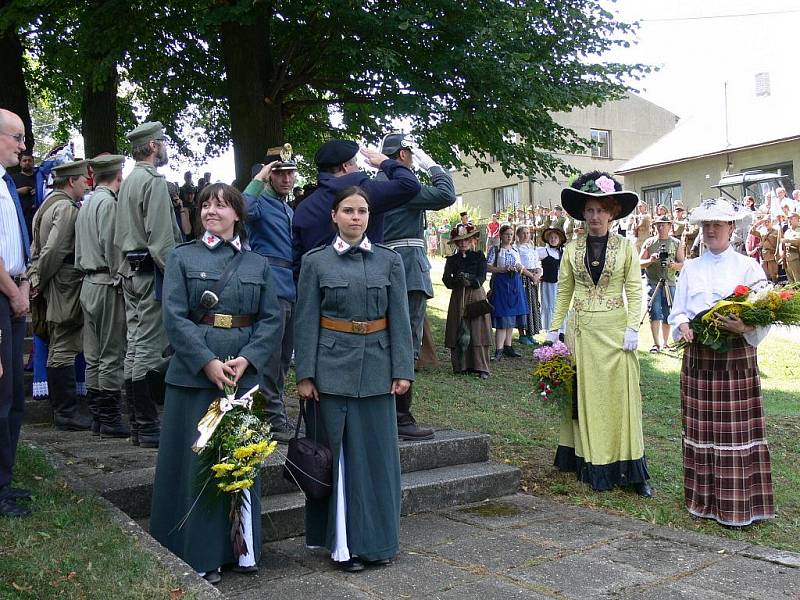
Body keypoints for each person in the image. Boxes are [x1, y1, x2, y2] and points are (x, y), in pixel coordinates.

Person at [150, 183, 282, 584]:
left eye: (222, 205)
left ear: (237, 215)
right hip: (196, 375)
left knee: (241, 458)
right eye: (206, 204)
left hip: (242, 375)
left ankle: (242, 551)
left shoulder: (257, 264)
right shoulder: (182, 257)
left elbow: (272, 319)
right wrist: (206, 362)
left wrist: (249, 359)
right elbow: (174, 316)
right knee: (197, 464)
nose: (211, 211)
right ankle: (199, 552)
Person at [294, 185, 414, 572]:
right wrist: (305, 375)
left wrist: (402, 371)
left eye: (362, 211)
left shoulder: (388, 261)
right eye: (348, 210)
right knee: (339, 461)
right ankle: (343, 547)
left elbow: (401, 319)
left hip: (379, 371)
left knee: (377, 461)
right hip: (330, 374)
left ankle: (378, 542)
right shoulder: (316, 262)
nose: (356, 217)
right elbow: (306, 320)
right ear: (334, 216)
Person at [668, 198, 774, 526]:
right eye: (706, 224)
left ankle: (738, 506)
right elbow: (678, 310)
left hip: (736, 359)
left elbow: (766, 312)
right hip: (699, 360)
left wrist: (745, 326)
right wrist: (683, 324)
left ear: (731, 228)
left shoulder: (748, 267)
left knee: (734, 435)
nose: (711, 229)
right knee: (701, 431)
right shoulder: (692, 268)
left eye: (718, 224)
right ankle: (703, 503)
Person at [547, 171, 652, 497]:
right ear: (582, 213)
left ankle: (630, 467)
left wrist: (634, 327)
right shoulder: (572, 249)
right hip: (582, 333)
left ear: (612, 212)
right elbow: (563, 291)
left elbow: (635, 291)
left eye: (601, 210)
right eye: (589, 210)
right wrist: (553, 330)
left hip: (617, 333)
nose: (595, 217)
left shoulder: (626, 248)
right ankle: (588, 461)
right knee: (586, 396)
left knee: (620, 398)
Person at [379, 132, 456, 440]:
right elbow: (445, 194)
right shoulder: (403, 187)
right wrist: (432, 165)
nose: (413, 158)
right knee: (406, 343)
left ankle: (386, 411)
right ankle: (400, 416)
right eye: (411, 153)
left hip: (385, 267)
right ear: (402, 156)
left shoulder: (378, 184)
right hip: (407, 270)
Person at [114, 121, 183, 447]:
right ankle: (147, 425)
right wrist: (177, 276)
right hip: (149, 274)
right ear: (154, 146)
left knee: (135, 347)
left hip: (130, 271)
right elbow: (161, 239)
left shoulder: (129, 181)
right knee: (148, 349)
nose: (166, 147)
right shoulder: (153, 181)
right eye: (164, 142)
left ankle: (141, 427)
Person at [291, 139, 421, 276]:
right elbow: (410, 185)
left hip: (319, 287)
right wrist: (385, 162)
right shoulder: (364, 192)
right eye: (356, 163)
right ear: (346, 166)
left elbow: (297, 263)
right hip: (366, 283)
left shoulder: (303, 208)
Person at [28, 159, 91, 431]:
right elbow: (53, 251)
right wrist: (40, 279)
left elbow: (36, 247)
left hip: (54, 280)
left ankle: (64, 411)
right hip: (64, 281)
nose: (86, 184)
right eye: (82, 180)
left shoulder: (47, 204)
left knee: (59, 344)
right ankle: (66, 413)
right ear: (71, 181)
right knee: (64, 342)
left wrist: (35, 276)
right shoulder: (65, 208)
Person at [243, 147, 298, 442]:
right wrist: (260, 177)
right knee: (271, 355)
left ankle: (270, 412)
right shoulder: (261, 202)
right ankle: (273, 418)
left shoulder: (287, 209)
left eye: (290, 172)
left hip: (289, 285)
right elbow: (241, 208)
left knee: (284, 357)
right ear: (270, 176)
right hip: (270, 285)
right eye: (280, 173)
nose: (287, 178)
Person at [75, 154, 129, 437]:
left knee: (94, 353)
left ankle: (98, 416)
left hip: (87, 281)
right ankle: (109, 417)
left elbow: (80, 248)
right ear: (118, 175)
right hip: (106, 281)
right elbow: (113, 245)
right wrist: (121, 277)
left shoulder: (86, 203)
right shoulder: (108, 202)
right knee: (110, 352)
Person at [0, 109, 33, 518]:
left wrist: (23, 283)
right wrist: (13, 291)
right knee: (2, 394)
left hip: (12, 291)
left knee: (15, 397)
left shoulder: (7, 184)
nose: (23, 146)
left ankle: (5, 481)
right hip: (3, 295)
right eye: (17, 137)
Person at [443, 223, 492, 378]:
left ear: (471, 240)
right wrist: (457, 280)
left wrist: (470, 280)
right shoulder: (452, 259)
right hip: (458, 297)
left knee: (478, 330)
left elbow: (482, 276)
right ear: (456, 243)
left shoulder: (479, 257)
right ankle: (461, 366)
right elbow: (446, 279)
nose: (463, 243)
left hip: (476, 295)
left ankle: (481, 366)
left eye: (466, 239)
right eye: (460, 240)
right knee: (459, 328)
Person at [640, 214, 684, 352]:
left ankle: (666, 343)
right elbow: (639, 263)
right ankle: (656, 344)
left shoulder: (676, 243)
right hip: (653, 282)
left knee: (668, 313)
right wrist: (651, 260)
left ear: (669, 226)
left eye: (663, 224)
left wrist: (673, 265)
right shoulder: (649, 242)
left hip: (670, 282)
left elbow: (683, 264)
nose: (660, 227)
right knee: (654, 311)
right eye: (658, 225)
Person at [487, 225, 527, 360]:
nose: (509, 237)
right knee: (503, 315)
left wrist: (520, 268)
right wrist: (502, 269)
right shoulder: (496, 250)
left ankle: (508, 347)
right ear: (501, 236)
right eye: (506, 234)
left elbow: (520, 265)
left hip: (514, 284)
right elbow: (487, 267)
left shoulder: (515, 249)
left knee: (512, 315)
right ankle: (499, 349)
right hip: (501, 285)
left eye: (511, 234)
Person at [514, 225, 542, 345]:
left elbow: (538, 263)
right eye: (523, 233)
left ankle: (530, 333)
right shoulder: (516, 249)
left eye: (528, 233)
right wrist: (531, 275)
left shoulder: (532, 248)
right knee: (523, 305)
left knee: (533, 305)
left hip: (534, 280)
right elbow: (518, 264)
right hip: (523, 278)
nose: (526, 235)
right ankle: (522, 334)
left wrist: (537, 275)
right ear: (518, 235)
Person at [537, 227, 566, 333]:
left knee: (560, 304)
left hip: (561, 283)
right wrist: (538, 272)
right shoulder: (543, 251)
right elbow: (533, 261)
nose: (553, 239)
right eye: (551, 237)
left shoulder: (563, 251)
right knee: (549, 304)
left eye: (555, 237)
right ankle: (550, 328)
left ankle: (562, 328)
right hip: (548, 282)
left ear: (559, 239)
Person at [10, 150, 36, 238]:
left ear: (33, 163)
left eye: (29, 160)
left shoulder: (39, 178)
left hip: (36, 217)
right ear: (20, 163)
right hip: (20, 217)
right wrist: (18, 191)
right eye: (24, 161)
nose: (27, 163)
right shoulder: (13, 178)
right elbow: (5, 193)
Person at [783, 211, 800, 282]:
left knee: (798, 279)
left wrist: (788, 240)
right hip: (788, 258)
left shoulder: (798, 229)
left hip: (796, 257)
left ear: (797, 219)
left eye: (791, 218)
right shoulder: (787, 231)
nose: (789, 220)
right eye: (788, 218)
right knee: (791, 280)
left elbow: (798, 239)